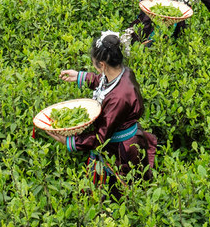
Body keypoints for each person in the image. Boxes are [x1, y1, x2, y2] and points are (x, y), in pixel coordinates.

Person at [49, 31, 158, 193]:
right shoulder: (123, 72)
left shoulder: (118, 98)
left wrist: (71, 142)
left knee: (121, 189)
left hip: (121, 149)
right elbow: (103, 82)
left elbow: (100, 137)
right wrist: (80, 76)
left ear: (102, 64)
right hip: (122, 138)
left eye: (94, 64)